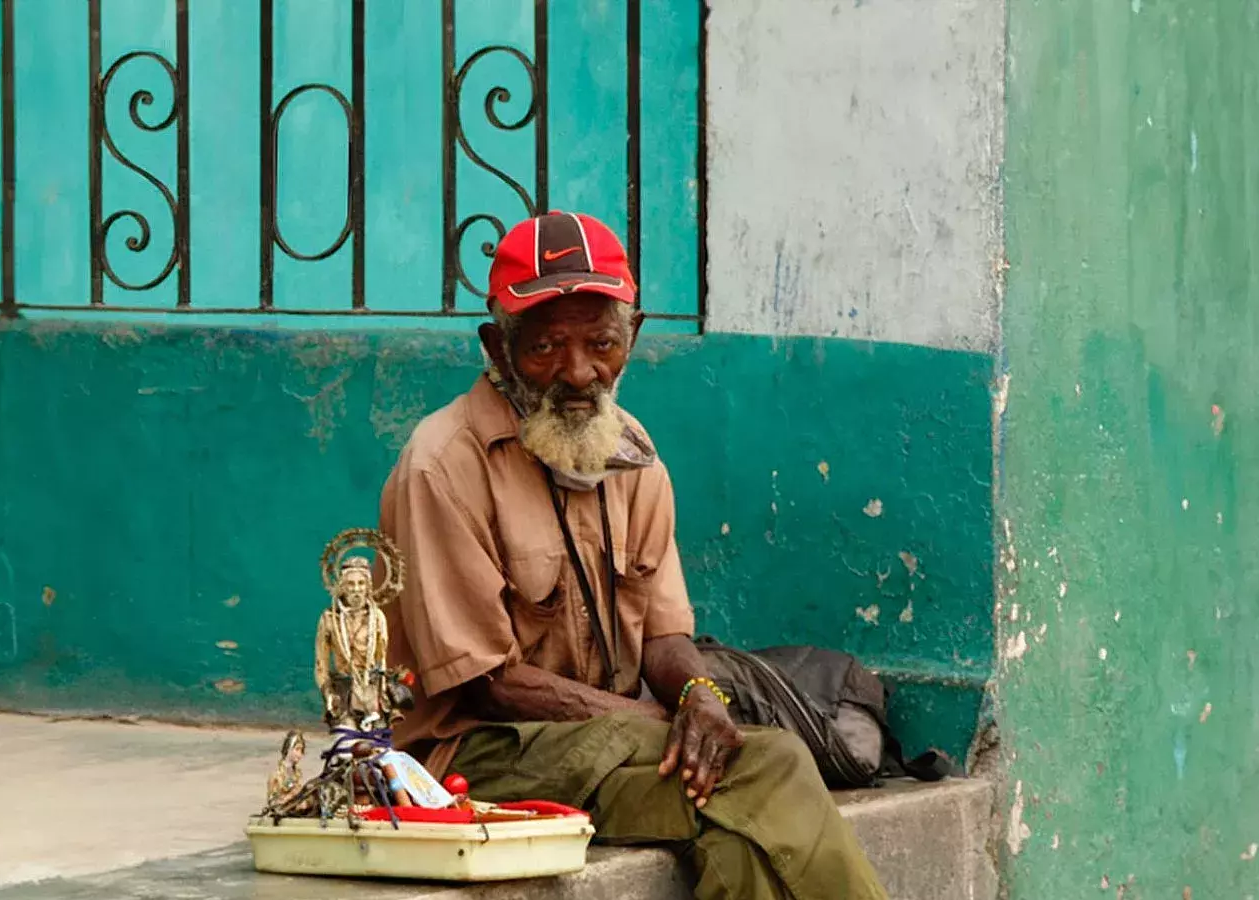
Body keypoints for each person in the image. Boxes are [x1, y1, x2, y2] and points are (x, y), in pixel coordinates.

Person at [380, 211, 887, 900]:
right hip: (478, 756)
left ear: (634, 337)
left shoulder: (635, 453)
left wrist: (700, 698)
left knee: (738, 834)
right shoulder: (442, 465)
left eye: (601, 343)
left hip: (600, 743)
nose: (579, 372)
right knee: (768, 764)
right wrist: (657, 719)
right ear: (498, 350)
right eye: (545, 348)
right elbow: (487, 684)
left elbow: (663, 635)